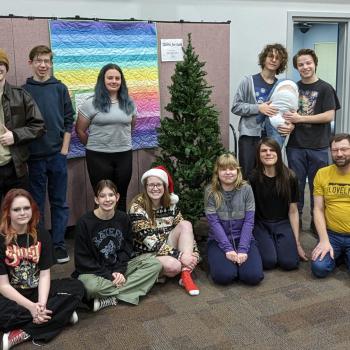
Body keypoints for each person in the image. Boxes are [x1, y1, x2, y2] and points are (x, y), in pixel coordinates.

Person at [0, 189, 84, 350]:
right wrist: (31, 308)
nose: (22, 213)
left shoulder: (41, 234)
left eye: (26, 208)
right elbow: (3, 285)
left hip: (37, 291)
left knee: (77, 287)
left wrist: (41, 304)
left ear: (32, 209)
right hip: (12, 296)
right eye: (16, 209)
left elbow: (45, 275)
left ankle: (23, 331)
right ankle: (61, 316)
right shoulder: (1, 239)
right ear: (8, 212)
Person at [73, 179, 161, 311]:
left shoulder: (123, 218)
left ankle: (110, 298)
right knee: (90, 287)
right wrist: (110, 275)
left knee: (154, 264)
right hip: (94, 272)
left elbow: (127, 248)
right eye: (102, 196)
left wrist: (119, 271)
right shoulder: (84, 223)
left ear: (117, 197)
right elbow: (82, 261)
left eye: (111, 195)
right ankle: (127, 290)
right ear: (96, 200)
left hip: (117, 266)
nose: (107, 199)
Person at [23, 45, 74, 264]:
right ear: (31, 63)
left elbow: (68, 120)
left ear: (51, 64)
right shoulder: (23, 91)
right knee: (36, 204)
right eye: (39, 61)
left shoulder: (60, 88)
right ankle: (40, 244)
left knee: (59, 202)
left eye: (47, 61)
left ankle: (59, 245)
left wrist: (63, 151)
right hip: (34, 158)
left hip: (57, 156)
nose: (43, 65)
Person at [285, 48, 340, 232]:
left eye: (308, 62)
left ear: (315, 63)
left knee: (319, 188)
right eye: (301, 64)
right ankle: (296, 224)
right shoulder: (292, 88)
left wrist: (301, 119)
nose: (305, 67)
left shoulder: (325, 88)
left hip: (318, 146)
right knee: (296, 186)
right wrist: (286, 124)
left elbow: (329, 116)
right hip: (295, 146)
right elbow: (285, 113)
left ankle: (318, 226)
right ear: (296, 67)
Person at [129, 166, 200, 296]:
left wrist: (193, 255)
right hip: (145, 253)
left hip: (166, 246)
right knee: (174, 266)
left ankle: (185, 274)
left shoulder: (171, 204)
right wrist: (180, 256)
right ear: (145, 187)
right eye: (151, 185)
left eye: (158, 185)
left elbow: (187, 233)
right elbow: (152, 243)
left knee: (186, 224)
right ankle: (156, 274)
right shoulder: (137, 207)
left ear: (164, 187)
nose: (155, 188)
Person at [75, 63, 136, 212]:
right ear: (103, 80)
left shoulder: (129, 103)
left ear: (122, 81)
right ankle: (100, 232)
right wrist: (94, 146)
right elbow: (80, 130)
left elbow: (131, 127)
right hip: (98, 157)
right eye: (110, 78)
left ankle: (120, 232)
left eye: (117, 78)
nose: (114, 81)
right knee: (102, 197)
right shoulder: (91, 103)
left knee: (120, 196)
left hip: (124, 155)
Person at [231, 43, 291, 178]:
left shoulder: (281, 85)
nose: (274, 60)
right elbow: (236, 107)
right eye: (271, 56)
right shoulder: (248, 81)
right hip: (250, 136)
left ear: (281, 63)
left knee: (269, 176)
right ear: (264, 59)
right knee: (247, 175)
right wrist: (259, 108)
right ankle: (248, 200)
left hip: (272, 137)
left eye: (278, 58)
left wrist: (290, 124)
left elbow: (287, 111)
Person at [204, 153, 264, 285]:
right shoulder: (210, 191)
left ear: (237, 171)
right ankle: (222, 262)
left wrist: (242, 249)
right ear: (217, 172)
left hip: (243, 238)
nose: (228, 172)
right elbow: (214, 223)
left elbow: (249, 221)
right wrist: (228, 249)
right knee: (224, 277)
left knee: (253, 277)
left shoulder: (246, 189)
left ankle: (239, 264)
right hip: (218, 240)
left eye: (231, 168)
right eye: (223, 169)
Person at [249, 138, 307, 270]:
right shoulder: (252, 178)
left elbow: (293, 211)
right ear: (258, 155)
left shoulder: (290, 177)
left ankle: (279, 243)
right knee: (268, 262)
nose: (268, 153)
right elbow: (249, 211)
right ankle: (268, 243)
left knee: (290, 263)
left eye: (272, 150)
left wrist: (297, 243)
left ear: (278, 153)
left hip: (282, 223)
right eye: (264, 151)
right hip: (261, 224)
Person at [0, 48, 45, 200]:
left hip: (14, 168)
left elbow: (39, 126)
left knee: (18, 215)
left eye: (1, 63)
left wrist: (15, 135)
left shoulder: (21, 95)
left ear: (6, 68)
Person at [311, 133, 350, 278]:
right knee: (319, 268)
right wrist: (324, 240)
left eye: (344, 149)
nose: (339, 154)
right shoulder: (322, 173)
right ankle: (339, 254)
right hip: (332, 234)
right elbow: (318, 209)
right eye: (335, 150)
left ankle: (341, 256)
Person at [256, 79, 298, 148]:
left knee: (273, 153)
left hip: (276, 122)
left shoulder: (283, 82)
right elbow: (236, 107)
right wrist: (258, 108)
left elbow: (295, 113)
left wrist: (293, 124)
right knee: (271, 152)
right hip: (251, 132)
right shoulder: (250, 81)